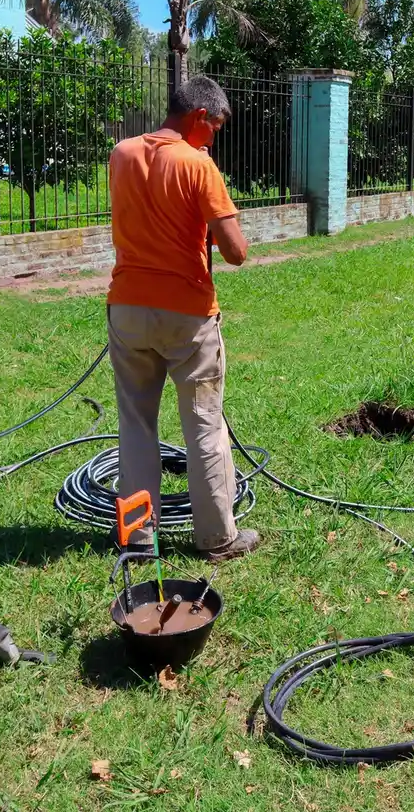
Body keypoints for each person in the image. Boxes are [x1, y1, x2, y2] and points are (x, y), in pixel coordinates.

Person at [106, 75, 258, 560]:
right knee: (204, 426)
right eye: (215, 127)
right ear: (199, 116)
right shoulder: (198, 164)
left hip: (127, 307)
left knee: (135, 426)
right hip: (187, 316)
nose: (215, 136)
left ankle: (137, 539)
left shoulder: (121, 154)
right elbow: (235, 252)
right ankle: (218, 539)